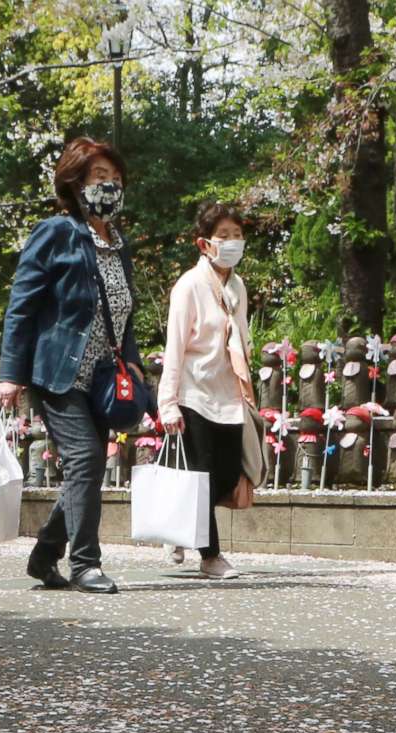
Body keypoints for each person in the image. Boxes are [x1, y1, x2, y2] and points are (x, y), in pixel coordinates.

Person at [0, 139, 145, 595]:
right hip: (59, 373)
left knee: (89, 464)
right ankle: (85, 564)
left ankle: (44, 555)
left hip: (102, 377)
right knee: (84, 458)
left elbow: (121, 312)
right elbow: (21, 307)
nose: (110, 186)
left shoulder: (117, 243)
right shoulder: (56, 233)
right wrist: (10, 373)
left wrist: (134, 363)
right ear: (76, 182)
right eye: (100, 177)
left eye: (115, 179)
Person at [156, 202, 258, 579]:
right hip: (194, 393)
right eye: (223, 237)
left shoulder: (237, 286)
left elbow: (241, 335)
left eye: (237, 235)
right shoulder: (189, 286)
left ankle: (181, 525)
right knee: (200, 477)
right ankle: (210, 555)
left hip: (229, 395)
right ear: (204, 244)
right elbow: (175, 347)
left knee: (227, 476)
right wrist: (168, 405)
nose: (232, 243)